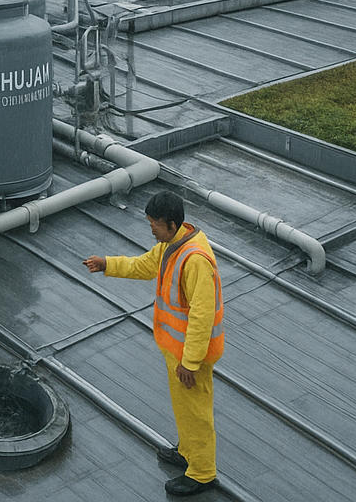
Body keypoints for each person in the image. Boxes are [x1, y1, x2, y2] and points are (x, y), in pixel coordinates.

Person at [84, 190, 224, 497]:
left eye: (154, 224)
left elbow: (201, 317)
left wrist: (190, 363)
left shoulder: (194, 259)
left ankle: (202, 472)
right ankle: (187, 451)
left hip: (192, 357)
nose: (151, 229)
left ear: (171, 225)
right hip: (177, 350)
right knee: (184, 408)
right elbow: (144, 266)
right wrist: (107, 264)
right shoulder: (171, 245)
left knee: (196, 412)